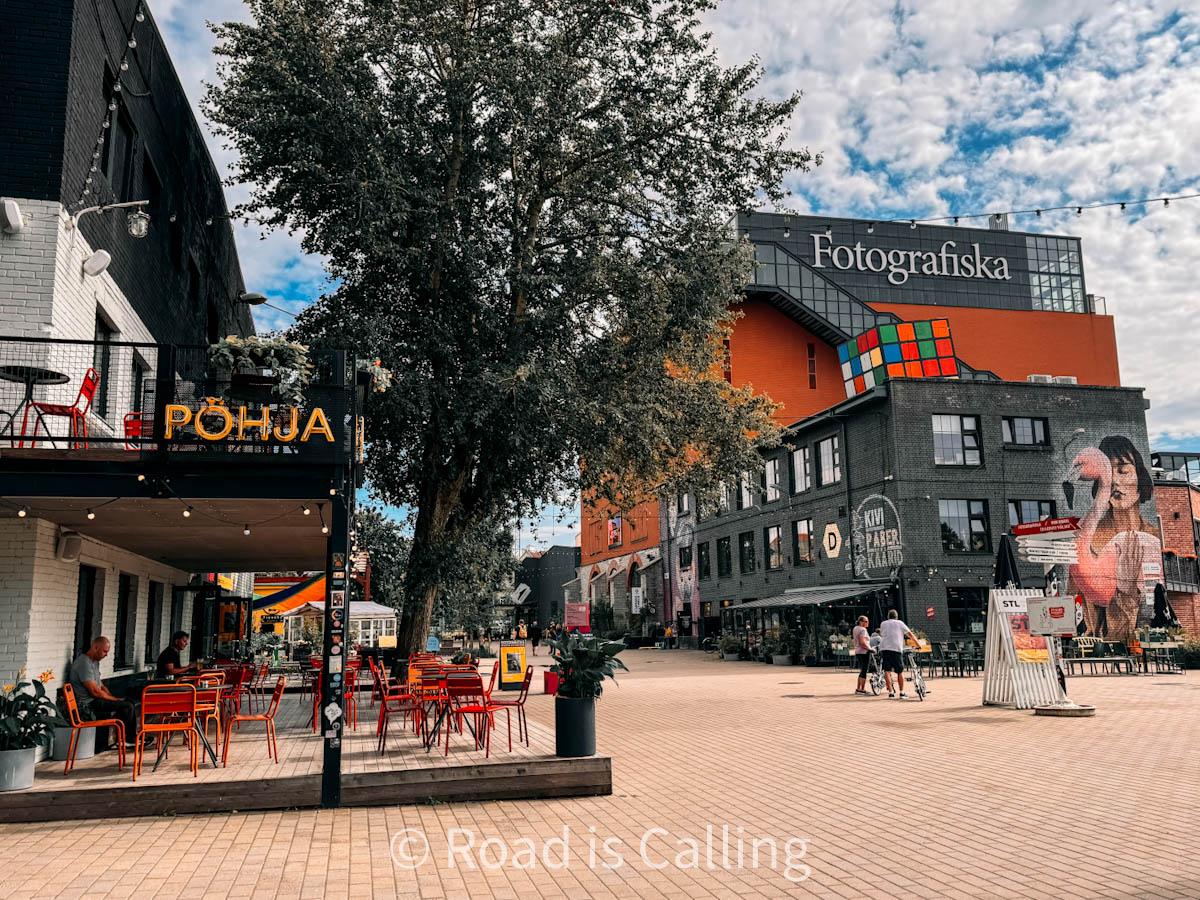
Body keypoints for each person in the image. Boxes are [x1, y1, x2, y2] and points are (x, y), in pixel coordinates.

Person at [1069, 436, 1162, 640]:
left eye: (1123, 470)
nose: (1115, 481)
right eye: (1109, 473)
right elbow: (1074, 602)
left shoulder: (1153, 537)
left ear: (1140, 476)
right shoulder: (1087, 537)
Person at [68, 637, 139, 747]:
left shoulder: (94, 662)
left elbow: (100, 685)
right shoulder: (84, 664)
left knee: (128, 702)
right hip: (88, 703)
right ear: (95, 648)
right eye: (104, 651)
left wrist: (113, 697)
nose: (106, 655)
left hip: (96, 700)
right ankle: (129, 740)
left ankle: (125, 738)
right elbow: (95, 692)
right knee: (127, 706)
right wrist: (115, 700)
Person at [878, 610, 917, 699]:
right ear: (897, 616)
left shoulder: (883, 624)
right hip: (896, 649)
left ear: (888, 616)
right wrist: (917, 644)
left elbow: (882, 634)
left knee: (887, 671)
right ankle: (902, 693)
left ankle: (891, 693)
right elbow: (910, 634)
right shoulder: (900, 623)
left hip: (885, 649)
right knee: (899, 671)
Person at [852, 615, 872, 695]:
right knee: (864, 670)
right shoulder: (863, 630)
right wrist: (870, 649)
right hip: (864, 651)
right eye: (865, 621)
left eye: (867, 621)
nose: (867, 623)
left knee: (862, 670)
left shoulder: (855, 628)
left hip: (858, 651)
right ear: (861, 622)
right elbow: (863, 642)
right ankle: (862, 689)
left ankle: (858, 688)